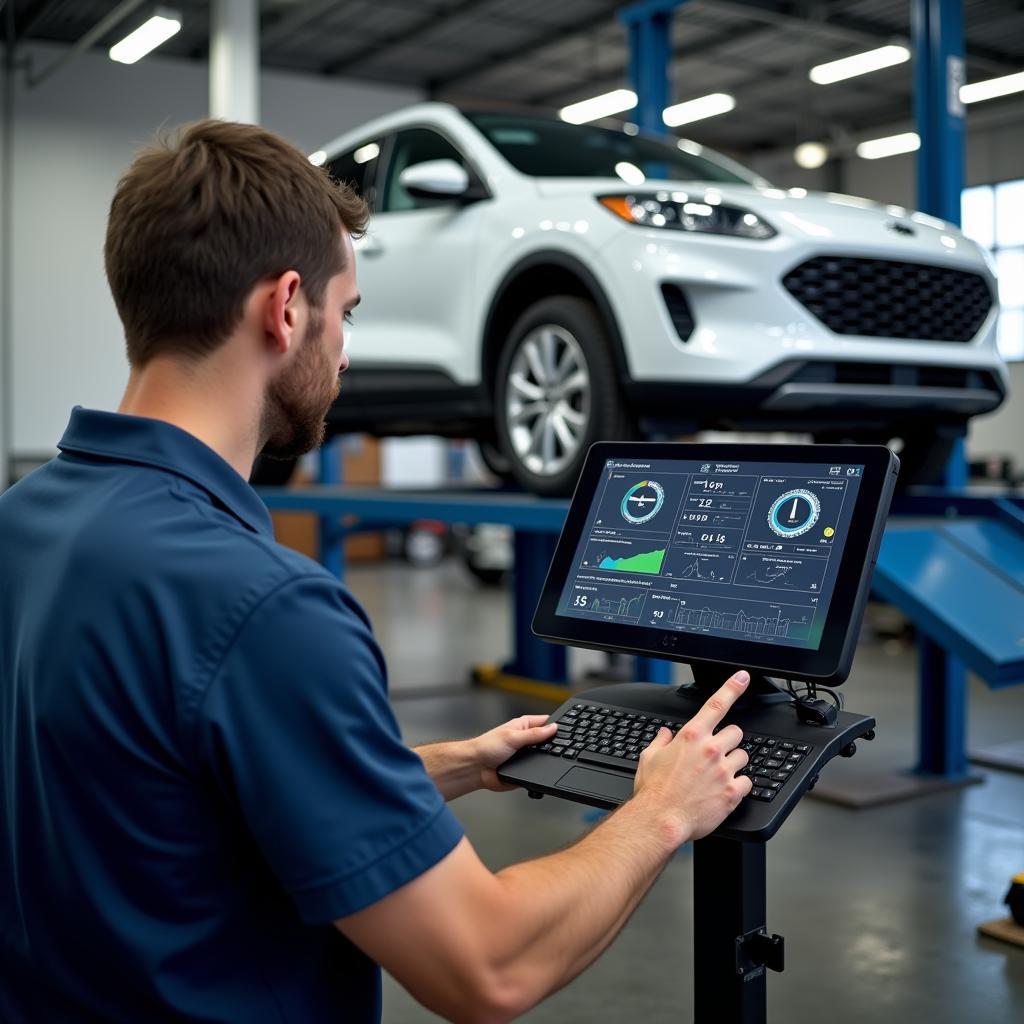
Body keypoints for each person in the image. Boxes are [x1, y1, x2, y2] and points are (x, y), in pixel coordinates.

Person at [0, 119, 751, 1023]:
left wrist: (449, 766)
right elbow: (486, 965)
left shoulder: (24, 522)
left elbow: (161, 782)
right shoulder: (266, 609)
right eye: (345, 312)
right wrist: (664, 811)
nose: (348, 351)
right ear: (286, 308)